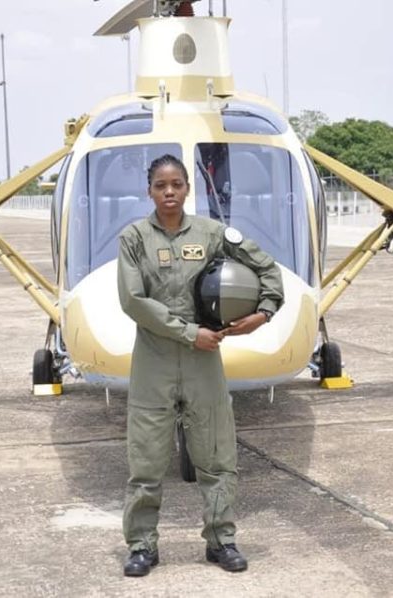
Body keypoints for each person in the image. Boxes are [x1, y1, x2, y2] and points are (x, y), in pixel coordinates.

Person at [116, 154, 284, 576]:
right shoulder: (134, 238)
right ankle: (142, 546)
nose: (169, 192)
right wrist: (191, 333)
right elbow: (133, 301)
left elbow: (266, 267)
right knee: (146, 461)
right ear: (149, 191)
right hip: (154, 361)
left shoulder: (212, 234)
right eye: (160, 185)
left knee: (216, 455)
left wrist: (263, 312)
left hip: (203, 362)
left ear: (188, 188)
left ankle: (221, 540)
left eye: (176, 184)